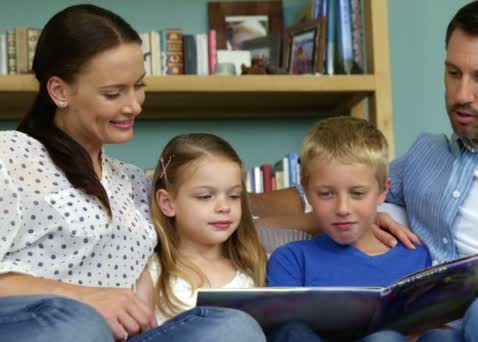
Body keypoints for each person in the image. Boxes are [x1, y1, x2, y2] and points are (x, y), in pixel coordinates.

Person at [251, 1, 478, 340]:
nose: (461, 94)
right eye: (453, 73)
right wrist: (222, 202)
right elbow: (326, 189)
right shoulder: (426, 157)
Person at [0, 4, 264, 342]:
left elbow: (219, 200)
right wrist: (83, 298)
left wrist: (321, 206)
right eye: (113, 93)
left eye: (139, 86)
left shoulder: (134, 182)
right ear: (59, 91)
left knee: (232, 327)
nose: (134, 105)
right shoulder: (11, 157)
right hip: (53, 330)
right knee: (81, 325)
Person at [266, 117, 431, 342]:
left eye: (357, 194)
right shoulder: (291, 260)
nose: (342, 209)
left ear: (383, 190)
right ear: (307, 191)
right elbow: (286, 334)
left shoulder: (416, 257)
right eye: (326, 194)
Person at [134, 133, 267, 324]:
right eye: (205, 196)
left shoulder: (253, 265)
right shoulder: (153, 273)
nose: (224, 207)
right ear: (167, 203)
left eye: (234, 196)